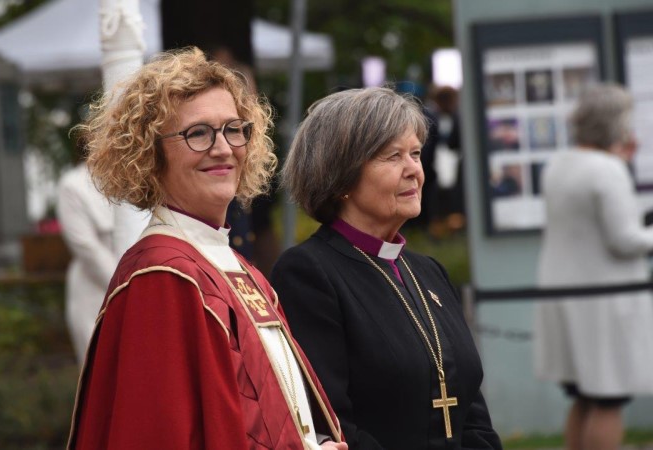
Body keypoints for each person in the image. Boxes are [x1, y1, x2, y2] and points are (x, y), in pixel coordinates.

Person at [66, 47, 346, 450]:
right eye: (197, 133)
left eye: (234, 128)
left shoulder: (235, 267)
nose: (223, 148)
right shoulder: (162, 276)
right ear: (149, 153)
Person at [271, 87, 503, 449]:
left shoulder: (429, 272)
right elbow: (332, 421)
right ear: (342, 176)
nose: (414, 170)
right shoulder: (308, 274)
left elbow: (471, 411)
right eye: (393, 156)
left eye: (415, 154)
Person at [534, 82, 653, 450]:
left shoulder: (560, 164)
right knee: (608, 399)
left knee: (584, 397)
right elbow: (625, 241)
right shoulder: (606, 170)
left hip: (565, 293)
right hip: (603, 300)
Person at [57, 160, 149, 364]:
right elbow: (84, 245)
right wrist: (127, 284)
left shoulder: (137, 175)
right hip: (95, 292)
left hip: (141, 282)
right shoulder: (73, 185)